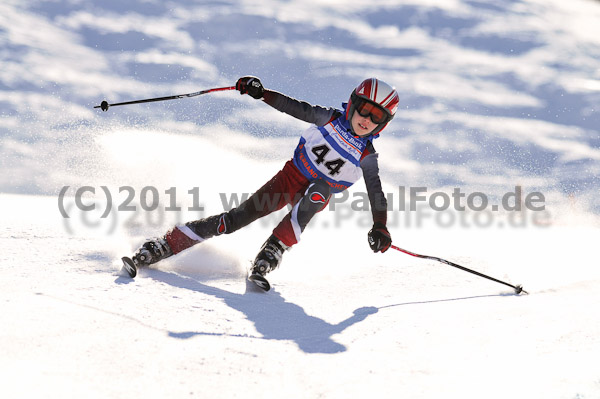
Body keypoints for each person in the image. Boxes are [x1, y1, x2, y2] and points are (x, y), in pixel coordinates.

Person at [128, 76, 399, 284]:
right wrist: (262, 93)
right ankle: (165, 244)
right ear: (352, 105)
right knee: (235, 220)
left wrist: (380, 227)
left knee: (320, 189)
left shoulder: (367, 156)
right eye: (364, 109)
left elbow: (376, 193)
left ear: (383, 124)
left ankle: (274, 249)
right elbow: (294, 107)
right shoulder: (328, 118)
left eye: (377, 117)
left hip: (314, 196)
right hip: (289, 180)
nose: (367, 119)